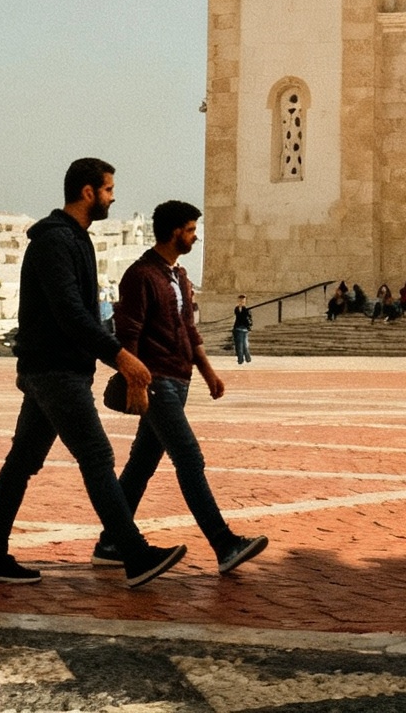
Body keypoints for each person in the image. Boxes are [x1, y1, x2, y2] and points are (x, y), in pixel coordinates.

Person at [0, 157, 186, 588]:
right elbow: (70, 313)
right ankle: (133, 554)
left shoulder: (75, 240)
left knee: (22, 463)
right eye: (108, 189)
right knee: (98, 457)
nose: (113, 196)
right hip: (55, 371)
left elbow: (84, 312)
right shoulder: (55, 243)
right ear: (88, 192)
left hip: (52, 369)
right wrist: (120, 357)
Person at [107, 200, 268, 578]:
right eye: (192, 230)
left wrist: (209, 371)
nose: (196, 236)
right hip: (156, 380)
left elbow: (188, 329)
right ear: (176, 231)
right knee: (189, 459)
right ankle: (223, 543)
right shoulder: (141, 275)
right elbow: (128, 333)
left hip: (179, 381)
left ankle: (110, 541)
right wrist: (136, 382)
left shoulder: (178, 276)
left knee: (141, 465)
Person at [230, 295, 253, 365]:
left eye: (243, 301)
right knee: (239, 345)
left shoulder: (247, 310)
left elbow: (248, 319)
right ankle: (241, 359)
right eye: (240, 301)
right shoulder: (236, 309)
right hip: (237, 328)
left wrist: (248, 326)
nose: (241, 302)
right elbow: (238, 317)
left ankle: (247, 358)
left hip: (244, 329)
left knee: (244, 345)